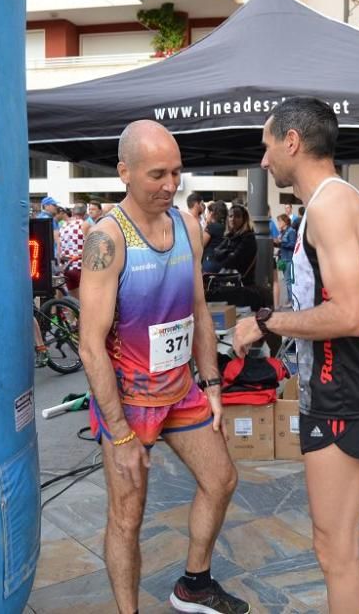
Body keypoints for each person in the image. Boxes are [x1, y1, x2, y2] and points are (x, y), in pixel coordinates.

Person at [77, 120, 247, 614]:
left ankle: (194, 584)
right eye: (157, 174)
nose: (171, 185)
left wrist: (211, 382)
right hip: (127, 402)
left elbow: (197, 307)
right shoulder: (106, 240)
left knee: (221, 480)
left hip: (180, 391)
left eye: (177, 172)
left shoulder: (187, 226)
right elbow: (90, 346)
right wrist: (121, 436)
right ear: (124, 172)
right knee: (127, 517)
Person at [232, 97, 359, 613]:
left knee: (335, 550)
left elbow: (347, 314)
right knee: (332, 546)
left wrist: (266, 323)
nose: (263, 160)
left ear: (292, 142)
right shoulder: (329, 202)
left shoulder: (330, 204)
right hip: (334, 387)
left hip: (344, 391)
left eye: (266, 146)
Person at [203, 204, 257, 279]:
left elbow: (231, 261)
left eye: (237, 216)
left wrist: (224, 253)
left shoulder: (248, 237)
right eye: (231, 216)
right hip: (229, 280)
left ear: (244, 219)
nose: (233, 219)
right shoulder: (229, 236)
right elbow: (215, 253)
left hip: (243, 283)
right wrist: (229, 253)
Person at [59, 204, 89, 297]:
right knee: (85, 302)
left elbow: (59, 248)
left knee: (74, 304)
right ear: (85, 214)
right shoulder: (85, 225)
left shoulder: (63, 226)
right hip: (80, 267)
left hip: (67, 267)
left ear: (72, 212)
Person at [273, 213, 296, 309]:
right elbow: (282, 245)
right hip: (283, 259)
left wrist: (281, 242)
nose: (278, 223)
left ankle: (292, 301)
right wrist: (275, 243)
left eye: (279, 221)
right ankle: (289, 300)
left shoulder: (291, 231)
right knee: (287, 281)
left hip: (288, 259)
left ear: (285, 221)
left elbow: (293, 245)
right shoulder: (282, 232)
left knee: (289, 281)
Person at [201, 201, 227, 266]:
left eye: (208, 212)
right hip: (222, 262)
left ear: (212, 213)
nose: (207, 215)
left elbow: (201, 244)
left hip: (210, 261)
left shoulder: (212, 227)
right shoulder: (226, 226)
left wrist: (206, 225)